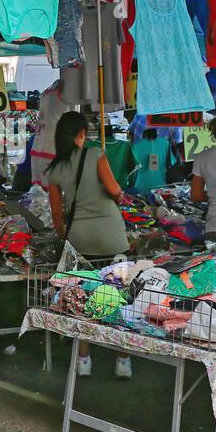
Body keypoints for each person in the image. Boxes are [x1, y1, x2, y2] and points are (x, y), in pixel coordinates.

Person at [44, 111, 132, 379]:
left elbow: (57, 214)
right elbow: (114, 189)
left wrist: (64, 237)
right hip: (111, 236)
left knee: (83, 296)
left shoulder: (55, 169)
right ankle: (122, 361)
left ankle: (84, 360)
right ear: (81, 134)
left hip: (80, 238)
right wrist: (116, 197)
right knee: (117, 296)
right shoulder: (96, 155)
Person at [131, 127, 174, 194]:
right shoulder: (166, 143)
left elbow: (131, 170)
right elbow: (171, 164)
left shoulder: (135, 145)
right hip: (160, 188)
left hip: (140, 190)